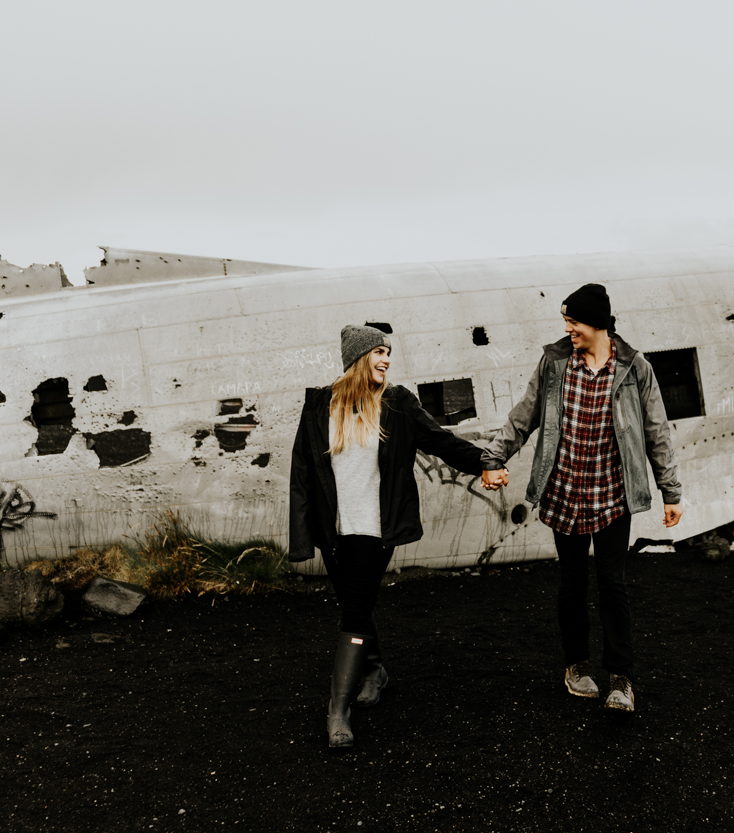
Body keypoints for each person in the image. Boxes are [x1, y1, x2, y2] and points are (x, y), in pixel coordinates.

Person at [479, 284, 682, 713]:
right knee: (571, 586)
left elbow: (657, 432)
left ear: (599, 323)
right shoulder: (555, 363)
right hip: (564, 492)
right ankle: (576, 666)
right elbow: (525, 415)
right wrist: (493, 456)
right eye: (566, 321)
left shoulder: (634, 368)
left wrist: (671, 491)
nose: (568, 328)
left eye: (574, 321)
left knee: (612, 585)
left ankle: (621, 679)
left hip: (611, 496)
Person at [289, 325, 488, 749]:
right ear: (358, 357)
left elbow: (440, 442)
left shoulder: (396, 404)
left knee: (354, 613)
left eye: (388, 352)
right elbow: (303, 472)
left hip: (374, 530)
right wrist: (305, 534)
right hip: (335, 530)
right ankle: (375, 668)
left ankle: (337, 712)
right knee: (353, 604)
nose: (386, 359)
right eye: (379, 351)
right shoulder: (320, 405)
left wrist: (486, 462)